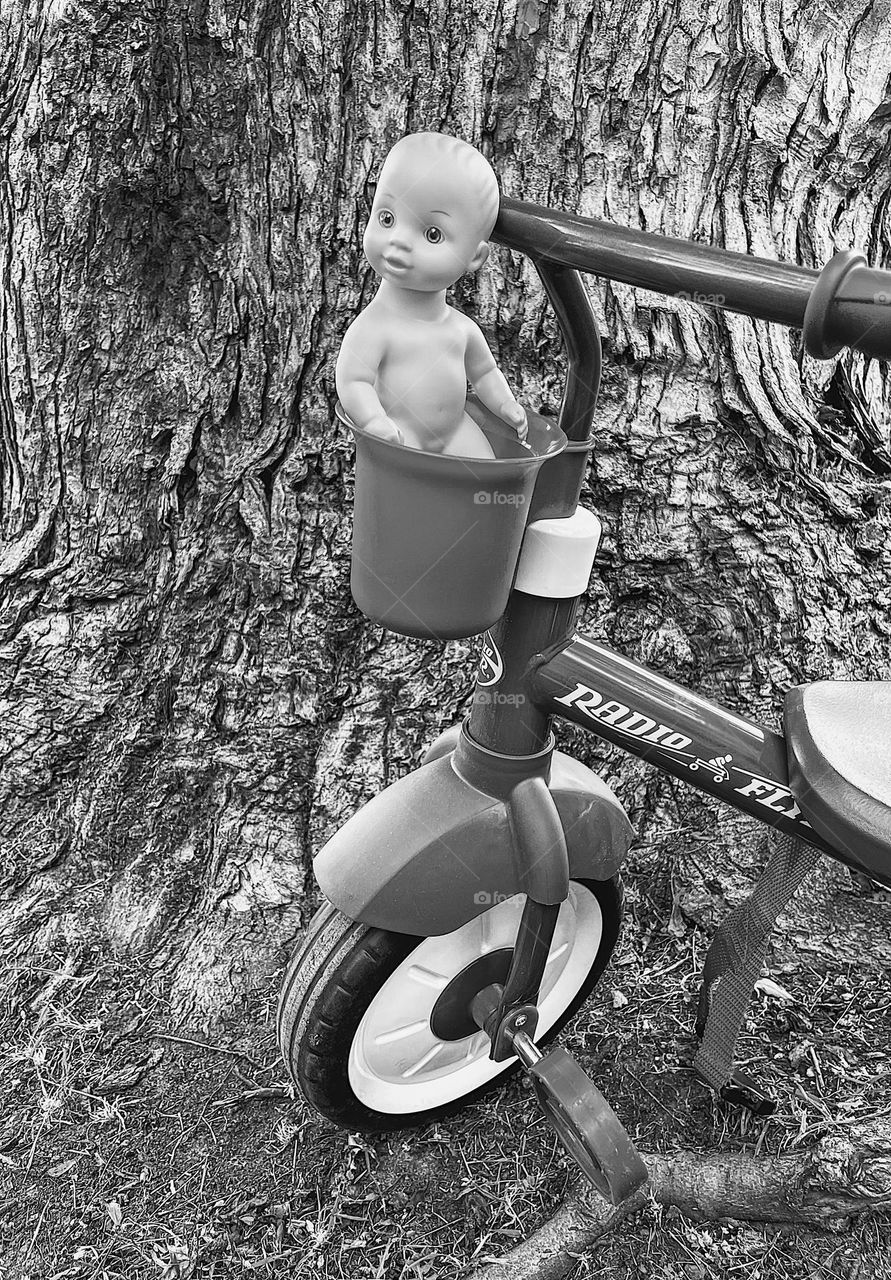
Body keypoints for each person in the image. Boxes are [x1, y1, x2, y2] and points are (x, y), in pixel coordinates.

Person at [335, 131, 528, 458]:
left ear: (475, 257)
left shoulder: (462, 329)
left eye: (432, 234)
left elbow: (484, 373)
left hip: (456, 433)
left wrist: (505, 403)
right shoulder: (376, 327)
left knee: (484, 477)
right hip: (401, 434)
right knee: (410, 496)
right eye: (387, 218)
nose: (399, 240)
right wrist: (373, 420)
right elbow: (353, 380)